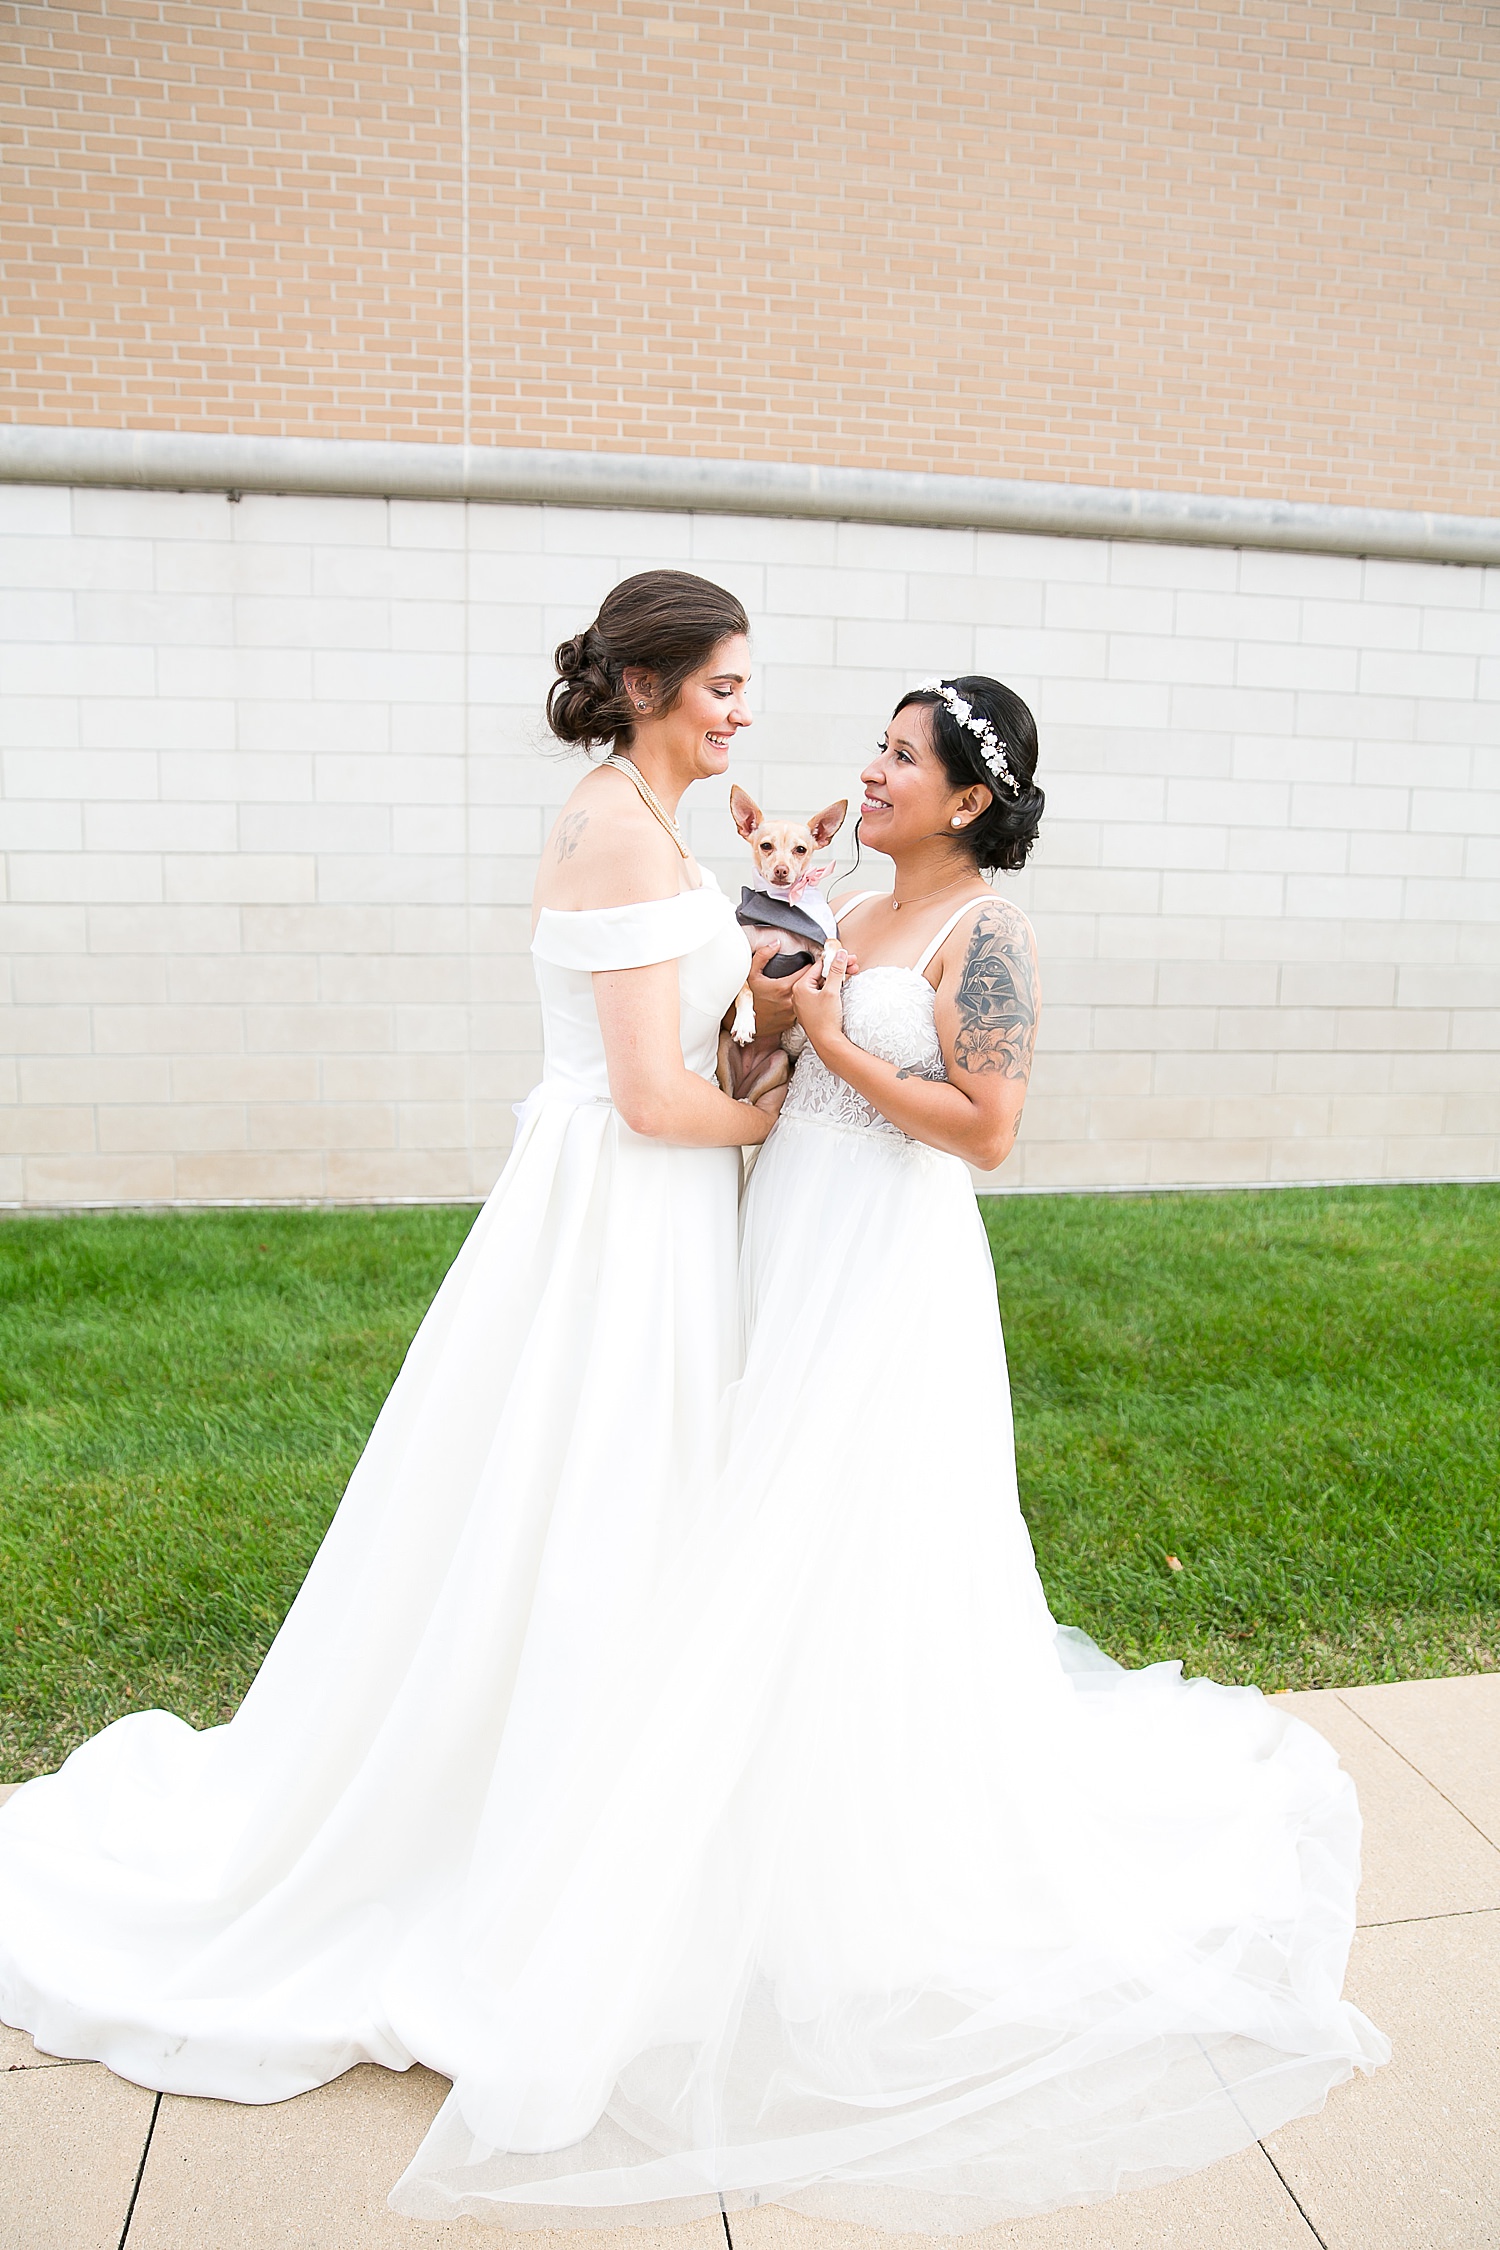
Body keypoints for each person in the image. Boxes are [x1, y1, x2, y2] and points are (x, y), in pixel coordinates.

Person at [389, 678, 1388, 2233]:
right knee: (752, 1521)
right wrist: (758, 1045)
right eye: (874, 746)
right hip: (790, 1234)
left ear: (969, 799)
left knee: (852, 1538)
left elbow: (985, 1130)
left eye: (900, 757)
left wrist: (828, 1042)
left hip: (891, 1269)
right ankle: (748, 1830)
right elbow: (767, 1069)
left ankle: (859, 1858)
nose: (869, 769)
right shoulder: (844, 899)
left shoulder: (988, 934)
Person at [0, 570, 790, 2122]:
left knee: (611, 1501)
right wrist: (766, 1110)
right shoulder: (619, 824)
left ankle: (619, 1810)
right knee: (585, 1501)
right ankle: (527, 1839)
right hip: (621, 1212)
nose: (742, 710)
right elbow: (646, 1095)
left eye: (748, 685)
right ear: (646, 686)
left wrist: (758, 1001)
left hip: (643, 1208)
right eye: (722, 686)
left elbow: (677, 1035)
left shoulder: (646, 811)